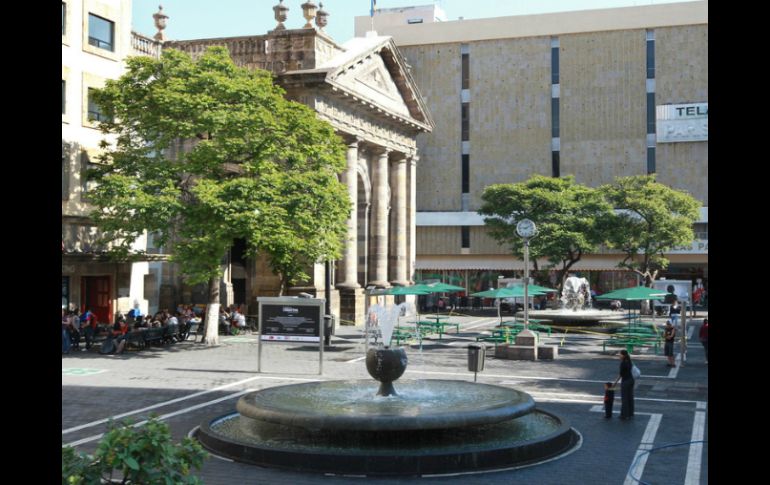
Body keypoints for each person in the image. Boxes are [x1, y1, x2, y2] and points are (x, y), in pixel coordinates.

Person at [612, 350, 635, 419]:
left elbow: (621, 375)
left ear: (623, 355)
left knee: (624, 398)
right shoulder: (629, 361)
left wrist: (615, 383)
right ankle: (631, 413)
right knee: (630, 397)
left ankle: (624, 415)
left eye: (620, 354)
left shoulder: (623, 363)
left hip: (625, 382)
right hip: (631, 380)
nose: (619, 355)